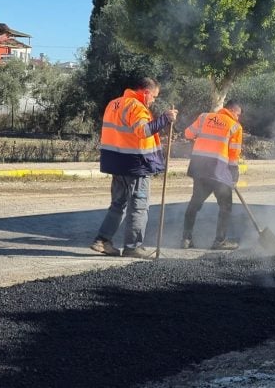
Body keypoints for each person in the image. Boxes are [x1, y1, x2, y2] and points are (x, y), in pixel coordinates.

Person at [90, 77, 178, 259]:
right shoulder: (136, 107)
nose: (153, 100)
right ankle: (133, 247)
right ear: (145, 92)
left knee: (118, 204)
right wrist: (165, 119)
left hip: (116, 162)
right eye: (153, 96)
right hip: (135, 164)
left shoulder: (114, 104)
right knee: (139, 206)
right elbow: (143, 131)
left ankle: (102, 240)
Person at [180, 100, 244, 250]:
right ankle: (219, 241)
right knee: (225, 206)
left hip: (200, 169)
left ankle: (185, 239)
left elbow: (188, 134)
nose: (238, 118)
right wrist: (234, 175)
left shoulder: (204, 117)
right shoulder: (235, 126)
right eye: (238, 114)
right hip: (219, 171)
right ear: (233, 111)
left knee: (194, 204)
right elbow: (234, 154)